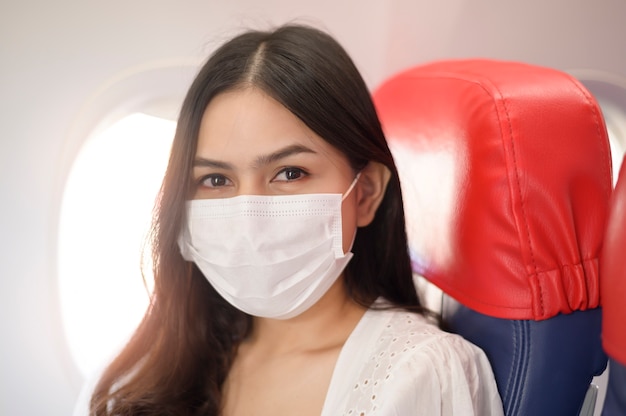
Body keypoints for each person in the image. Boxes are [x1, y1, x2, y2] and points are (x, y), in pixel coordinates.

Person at [77, 24, 503, 415]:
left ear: (366, 194)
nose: (248, 216)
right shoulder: (140, 369)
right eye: (216, 179)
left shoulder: (419, 375)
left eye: (290, 173)